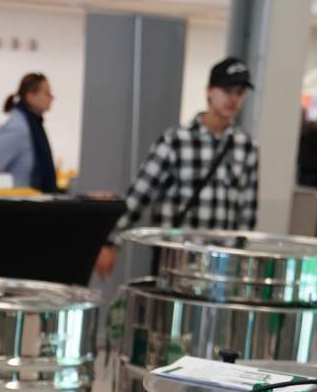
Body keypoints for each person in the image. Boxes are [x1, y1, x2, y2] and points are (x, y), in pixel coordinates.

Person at [95, 57, 259, 277]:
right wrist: (110, 242)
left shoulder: (246, 146)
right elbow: (139, 196)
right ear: (210, 91)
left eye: (239, 92)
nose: (233, 99)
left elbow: (247, 212)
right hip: (176, 259)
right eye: (227, 90)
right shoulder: (176, 140)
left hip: (222, 264)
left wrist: (243, 260)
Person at [0, 72, 57, 194]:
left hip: (30, 199)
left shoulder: (34, 125)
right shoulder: (17, 128)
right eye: (47, 92)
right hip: (18, 202)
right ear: (30, 96)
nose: (52, 97)